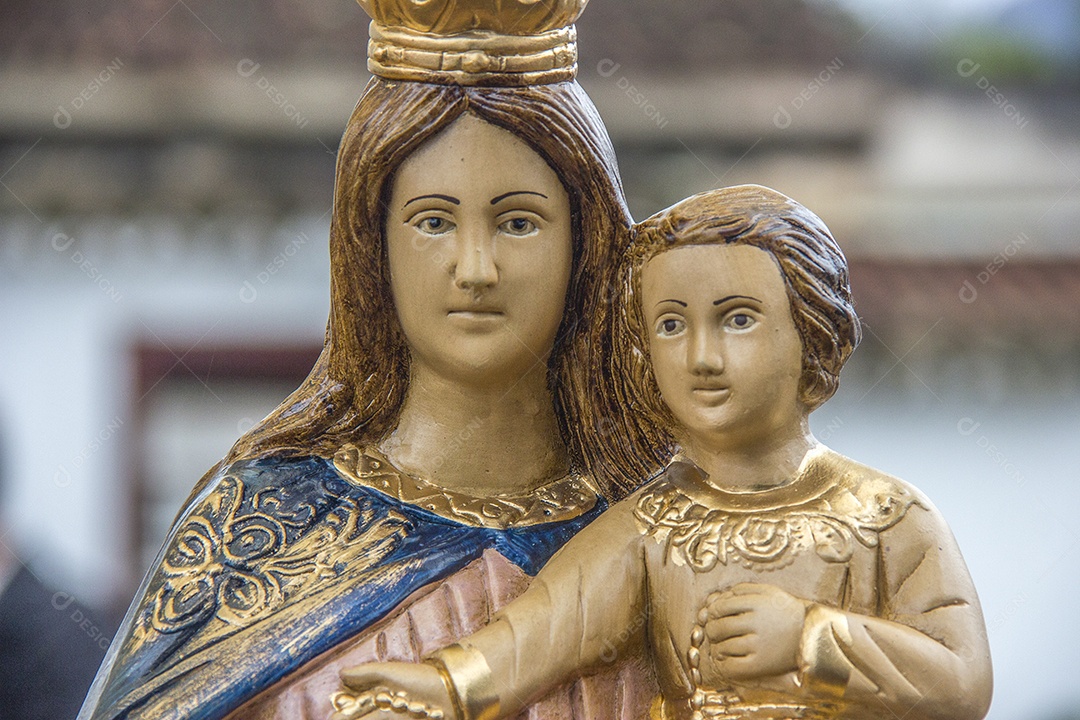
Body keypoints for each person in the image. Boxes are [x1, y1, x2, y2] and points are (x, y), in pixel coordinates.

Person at [77, 2, 662, 718]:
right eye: (433, 222)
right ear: (370, 246)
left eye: (517, 222)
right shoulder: (262, 527)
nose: (475, 268)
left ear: (587, 241)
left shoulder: (669, 526)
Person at [334, 185, 994, 720]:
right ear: (644, 355)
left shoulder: (887, 517)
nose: (703, 358)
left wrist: (811, 639)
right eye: (672, 326)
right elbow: (544, 633)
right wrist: (444, 689)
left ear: (813, 335)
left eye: (738, 319)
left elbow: (962, 682)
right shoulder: (651, 528)